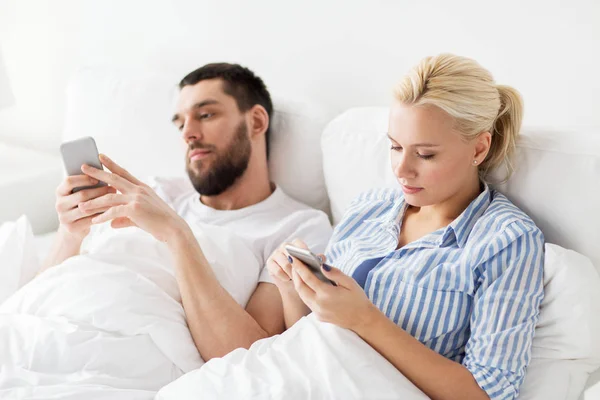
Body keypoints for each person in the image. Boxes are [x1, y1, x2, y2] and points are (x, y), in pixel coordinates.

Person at [267, 54, 544, 400]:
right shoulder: (368, 208)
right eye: (395, 147)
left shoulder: (506, 241)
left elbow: (488, 394)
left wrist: (366, 319)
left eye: (425, 155)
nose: (401, 169)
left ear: (479, 147)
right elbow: (306, 341)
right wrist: (293, 288)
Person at [40, 62, 332, 361]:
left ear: (256, 122)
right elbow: (44, 293)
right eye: (181, 124)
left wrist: (176, 234)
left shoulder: (299, 228)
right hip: (52, 332)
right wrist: (70, 233)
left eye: (206, 115)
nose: (188, 133)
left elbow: (246, 355)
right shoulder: (159, 192)